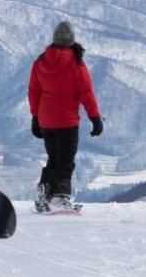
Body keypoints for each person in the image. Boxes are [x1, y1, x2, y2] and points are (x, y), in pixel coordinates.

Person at [28, 20, 103, 212]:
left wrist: (35, 118)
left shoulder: (40, 61)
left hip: (46, 119)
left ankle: (44, 193)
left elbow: (34, 92)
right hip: (66, 120)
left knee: (53, 159)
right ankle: (59, 198)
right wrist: (95, 118)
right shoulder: (75, 62)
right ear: (72, 40)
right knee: (65, 161)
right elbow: (86, 92)